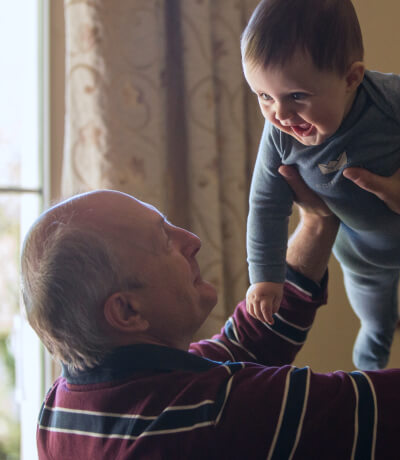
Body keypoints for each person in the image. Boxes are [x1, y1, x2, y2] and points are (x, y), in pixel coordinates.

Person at [21, 166, 400, 459]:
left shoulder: (60, 409)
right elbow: (377, 412)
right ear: (127, 309)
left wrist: (317, 222)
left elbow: (245, 345)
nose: (193, 241)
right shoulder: (208, 418)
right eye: (164, 240)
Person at [242, 0, 400, 370]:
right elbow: (266, 205)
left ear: (351, 78)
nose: (279, 114)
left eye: (296, 96)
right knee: (377, 326)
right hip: (365, 259)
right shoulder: (280, 138)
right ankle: (369, 384)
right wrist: (265, 277)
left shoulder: (388, 99)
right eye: (264, 96)